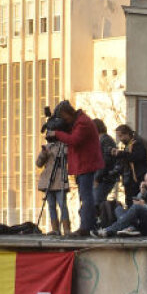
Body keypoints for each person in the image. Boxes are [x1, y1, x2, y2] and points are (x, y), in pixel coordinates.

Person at [46, 100, 103, 237]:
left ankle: (85, 227)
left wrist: (57, 134)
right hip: (84, 163)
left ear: (68, 113)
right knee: (85, 195)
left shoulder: (83, 123)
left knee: (86, 196)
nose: (65, 122)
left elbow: (74, 140)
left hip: (86, 163)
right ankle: (89, 225)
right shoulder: (79, 121)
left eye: (64, 118)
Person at [95, 169, 147, 237]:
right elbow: (138, 206)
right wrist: (142, 193)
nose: (146, 183)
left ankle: (108, 230)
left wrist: (144, 206)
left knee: (137, 207)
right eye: (145, 181)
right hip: (145, 221)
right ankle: (130, 229)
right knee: (119, 209)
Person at [35, 139, 70, 234]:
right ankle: (55, 229)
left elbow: (67, 156)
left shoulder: (64, 146)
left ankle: (66, 228)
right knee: (51, 205)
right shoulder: (47, 147)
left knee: (62, 205)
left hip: (60, 180)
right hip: (48, 180)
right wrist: (44, 153)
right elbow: (38, 163)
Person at [112, 124, 147, 207]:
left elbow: (135, 157)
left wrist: (121, 154)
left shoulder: (137, 143)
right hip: (129, 179)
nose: (120, 139)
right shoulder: (129, 144)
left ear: (127, 134)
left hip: (136, 178)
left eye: (121, 136)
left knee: (135, 201)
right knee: (129, 201)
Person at [92, 118, 120, 208]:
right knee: (96, 201)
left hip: (105, 178)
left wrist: (97, 178)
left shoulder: (105, 140)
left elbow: (105, 161)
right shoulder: (101, 140)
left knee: (97, 201)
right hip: (103, 177)